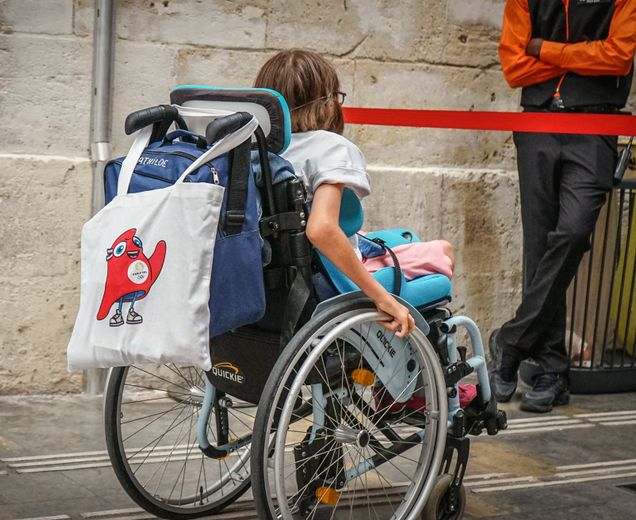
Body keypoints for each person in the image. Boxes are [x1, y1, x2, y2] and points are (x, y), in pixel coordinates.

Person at [494, 0, 636, 413]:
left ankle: (512, 339)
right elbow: (514, 68)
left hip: (596, 127)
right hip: (537, 124)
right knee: (539, 246)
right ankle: (552, 369)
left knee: (573, 232)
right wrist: (581, 57)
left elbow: (618, 56)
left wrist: (544, 49)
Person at [253, 49, 455, 338]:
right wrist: (381, 298)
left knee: (405, 237)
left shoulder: (258, 152)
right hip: (331, 285)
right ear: (325, 103)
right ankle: (402, 378)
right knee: (443, 252)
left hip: (276, 283)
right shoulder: (330, 149)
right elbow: (321, 229)